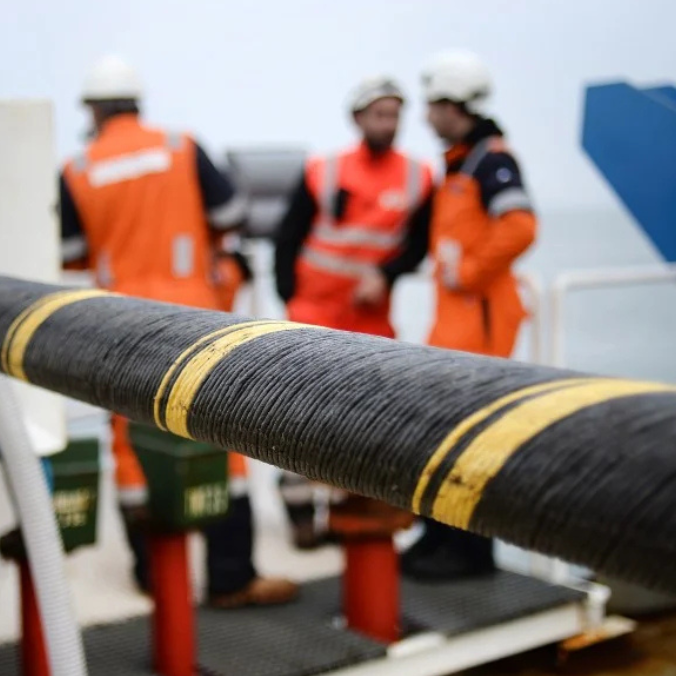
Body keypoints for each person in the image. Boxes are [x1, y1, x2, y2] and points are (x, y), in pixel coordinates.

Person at [58, 54, 298, 608]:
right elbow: (231, 212)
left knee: (130, 441)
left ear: (92, 111)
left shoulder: (77, 169)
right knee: (218, 434)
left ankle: (153, 572)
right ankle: (230, 575)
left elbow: (71, 254)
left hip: (118, 322)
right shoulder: (180, 147)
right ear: (138, 103)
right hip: (195, 315)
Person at [362, 49, 538, 581]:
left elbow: (521, 227)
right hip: (458, 319)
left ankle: (469, 554)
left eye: (433, 104)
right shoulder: (464, 160)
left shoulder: (491, 161)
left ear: (454, 104)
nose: (426, 116)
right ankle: (438, 539)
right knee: (444, 431)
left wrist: (471, 274)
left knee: (468, 437)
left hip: (479, 317)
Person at [273, 76, 433, 549]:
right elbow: (288, 237)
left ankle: (350, 507)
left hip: (369, 320)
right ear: (358, 119)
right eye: (380, 114)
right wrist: (289, 297)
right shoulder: (322, 170)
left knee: (360, 420)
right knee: (294, 418)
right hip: (312, 312)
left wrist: (386, 274)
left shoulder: (418, 177)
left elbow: (418, 245)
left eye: (395, 115)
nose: (389, 124)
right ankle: (300, 512)